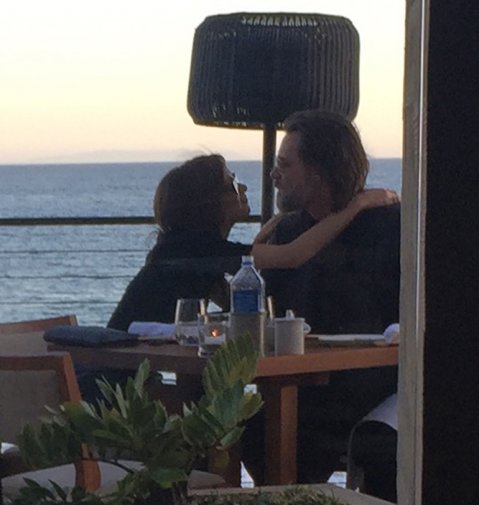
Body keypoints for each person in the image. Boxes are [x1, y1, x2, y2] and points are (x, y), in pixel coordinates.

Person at [242, 109, 400, 491]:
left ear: (319, 171)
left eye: (285, 164)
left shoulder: (391, 226)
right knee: (251, 430)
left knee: (380, 443)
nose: (274, 175)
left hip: (373, 384)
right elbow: (269, 310)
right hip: (307, 388)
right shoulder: (288, 232)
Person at [108, 153, 398, 331]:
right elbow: (294, 255)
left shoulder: (186, 249)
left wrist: (274, 228)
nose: (243, 187)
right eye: (233, 184)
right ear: (209, 202)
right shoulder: (194, 250)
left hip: (131, 368)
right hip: (114, 380)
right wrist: (357, 204)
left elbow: (240, 299)